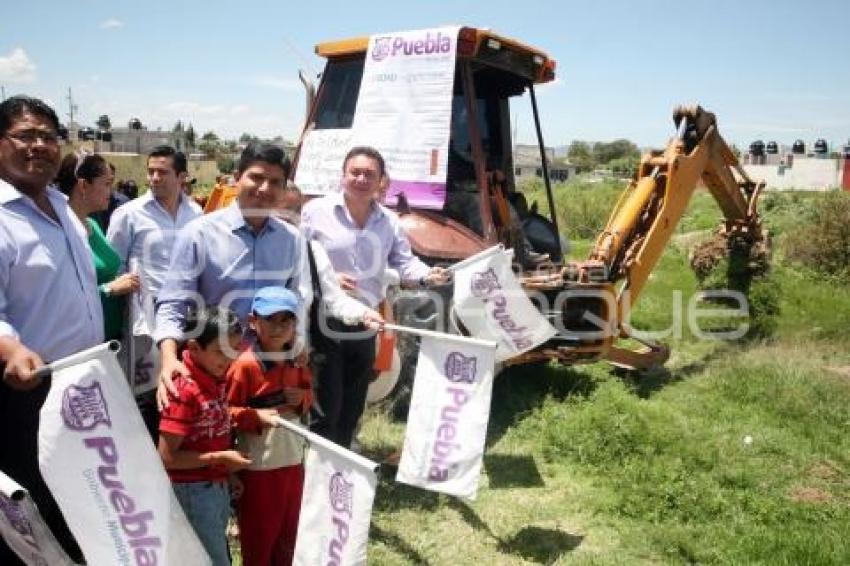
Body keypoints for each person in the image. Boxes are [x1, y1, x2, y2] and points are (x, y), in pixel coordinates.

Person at [0, 95, 103, 564]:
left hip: (83, 391)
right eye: (26, 135)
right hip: (27, 398)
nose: (39, 145)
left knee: (86, 511)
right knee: (36, 529)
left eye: (48, 136)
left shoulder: (62, 206)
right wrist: (11, 348)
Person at [301, 146, 449, 448]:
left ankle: (344, 465)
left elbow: (404, 262)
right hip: (324, 319)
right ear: (343, 176)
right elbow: (298, 257)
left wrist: (426, 274)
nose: (361, 178)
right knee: (326, 401)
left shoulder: (389, 222)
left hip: (367, 320)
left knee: (354, 400)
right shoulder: (316, 212)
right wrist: (326, 276)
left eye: (369, 174)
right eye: (355, 172)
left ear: (381, 180)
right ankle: (319, 470)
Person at [154, 143, 310, 411]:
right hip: (210, 372)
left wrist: (298, 340)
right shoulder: (199, 233)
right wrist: (168, 360)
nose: (264, 189)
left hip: (265, 375)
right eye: (256, 178)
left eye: (275, 182)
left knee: (260, 446)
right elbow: (173, 304)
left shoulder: (292, 240)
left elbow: (296, 299)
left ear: (284, 189)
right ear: (237, 178)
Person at [107, 145, 202, 437]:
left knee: (182, 385)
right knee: (145, 392)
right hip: (145, 319)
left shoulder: (196, 213)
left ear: (182, 176)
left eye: (163, 172)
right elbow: (114, 264)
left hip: (187, 316)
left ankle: (175, 447)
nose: (154, 177)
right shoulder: (129, 214)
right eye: (151, 171)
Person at [158, 305, 250, 566]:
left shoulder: (215, 375)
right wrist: (220, 458)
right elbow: (166, 458)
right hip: (193, 491)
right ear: (195, 348)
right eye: (221, 352)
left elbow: (213, 432)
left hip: (213, 485)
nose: (229, 359)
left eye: (234, 350)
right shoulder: (184, 391)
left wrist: (227, 472)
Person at [226, 286, 311, 565]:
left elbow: (308, 398)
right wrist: (255, 417)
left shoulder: (296, 361)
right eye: (269, 320)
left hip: (293, 463)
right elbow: (225, 413)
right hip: (259, 468)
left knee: (289, 536)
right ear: (253, 322)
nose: (278, 328)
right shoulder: (245, 366)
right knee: (260, 539)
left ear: (295, 325)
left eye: (285, 320)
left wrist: (302, 399)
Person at [55, 152, 140, 340]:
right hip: (79, 344)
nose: (111, 193)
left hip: (109, 338)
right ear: (84, 186)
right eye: (107, 184)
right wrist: (110, 289)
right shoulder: (60, 233)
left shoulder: (91, 224)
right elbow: (60, 300)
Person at [90, 163, 130, 233]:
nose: (109, 186)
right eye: (105, 182)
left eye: (110, 181)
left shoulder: (123, 203)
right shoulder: (91, 209)